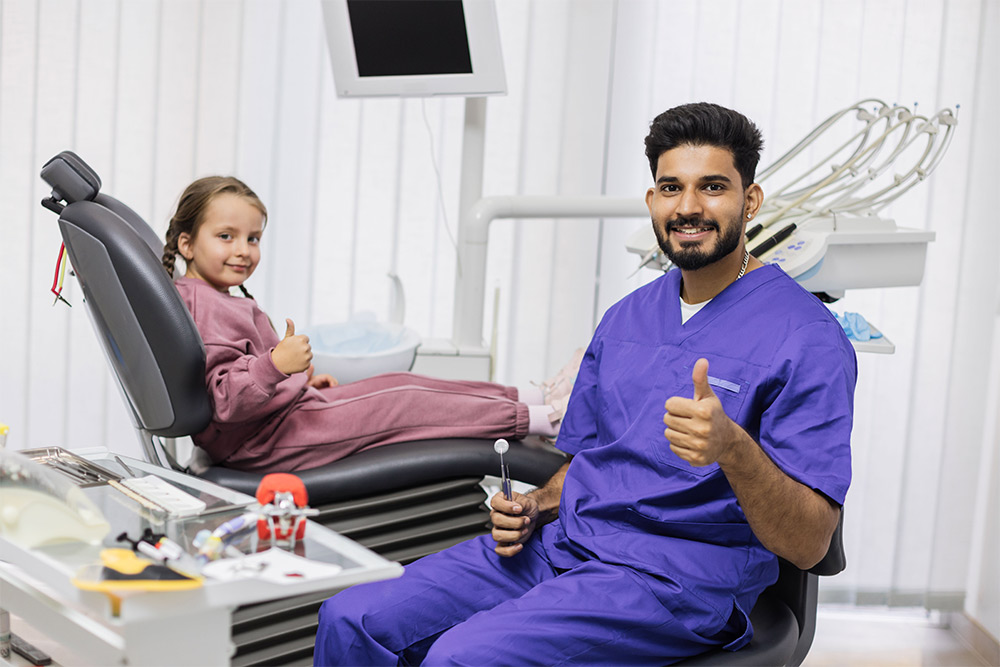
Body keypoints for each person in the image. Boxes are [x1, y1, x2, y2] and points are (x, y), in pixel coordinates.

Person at [313, 102, 856, 665]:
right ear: (652, 201)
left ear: (750, 200)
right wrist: (536, 505)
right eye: (671, 187)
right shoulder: (627, 317)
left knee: (463, 659)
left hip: (676, 581)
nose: (688, 207)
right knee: (350, 620)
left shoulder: (805, 337)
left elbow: (810, 542)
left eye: (713, 186)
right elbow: (588, 461)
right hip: (564, 548)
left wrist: (732, 448)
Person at [161, 176, 581, 472]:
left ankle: (535, 396)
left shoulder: (213, 297)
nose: (243, 250)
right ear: (187, 243)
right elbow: (225, 399)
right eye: (226, 236)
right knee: (406, 402)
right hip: (266, 444)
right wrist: (277, 366)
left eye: (252, 239)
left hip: (278, 422)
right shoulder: (205, 304)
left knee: (401, 383)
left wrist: (298, 385)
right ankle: (543, 419)